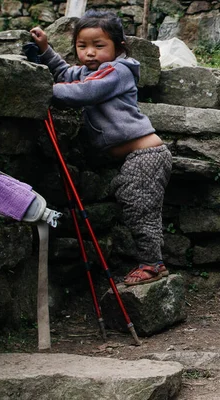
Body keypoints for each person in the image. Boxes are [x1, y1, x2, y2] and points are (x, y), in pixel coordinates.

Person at [30, 10, 173, 286]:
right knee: (135, 203)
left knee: (139, 207)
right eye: (82, 47)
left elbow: (85, 92)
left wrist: (43, 90)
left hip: (147, 155)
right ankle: (151, 261)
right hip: (135, 157)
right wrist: (46, 50)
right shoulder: (88, 71)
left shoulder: (118, 71)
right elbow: (66, 74)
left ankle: (153, 264)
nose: (90, 53)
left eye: (99, 46)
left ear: (118, 48)